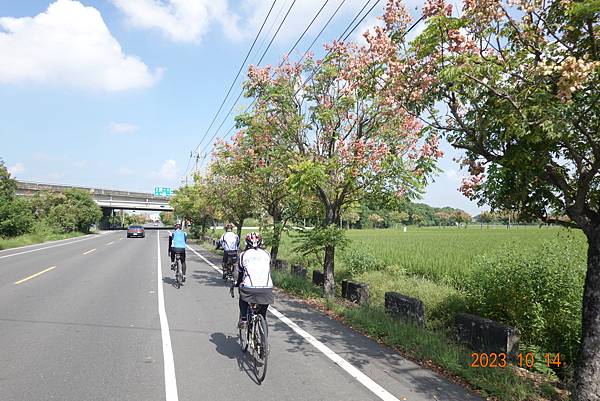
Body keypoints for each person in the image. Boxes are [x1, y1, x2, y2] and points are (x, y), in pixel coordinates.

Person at [235, 232, 273, 329]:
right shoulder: (267, 254)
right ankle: (262, 321)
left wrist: (238, 284)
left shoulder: (243, 255)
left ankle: (244, 319)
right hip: (267, 288)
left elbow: (240, 272)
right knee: (262, 313)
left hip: (249, 288)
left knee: (242, 295)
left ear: (246, 243)